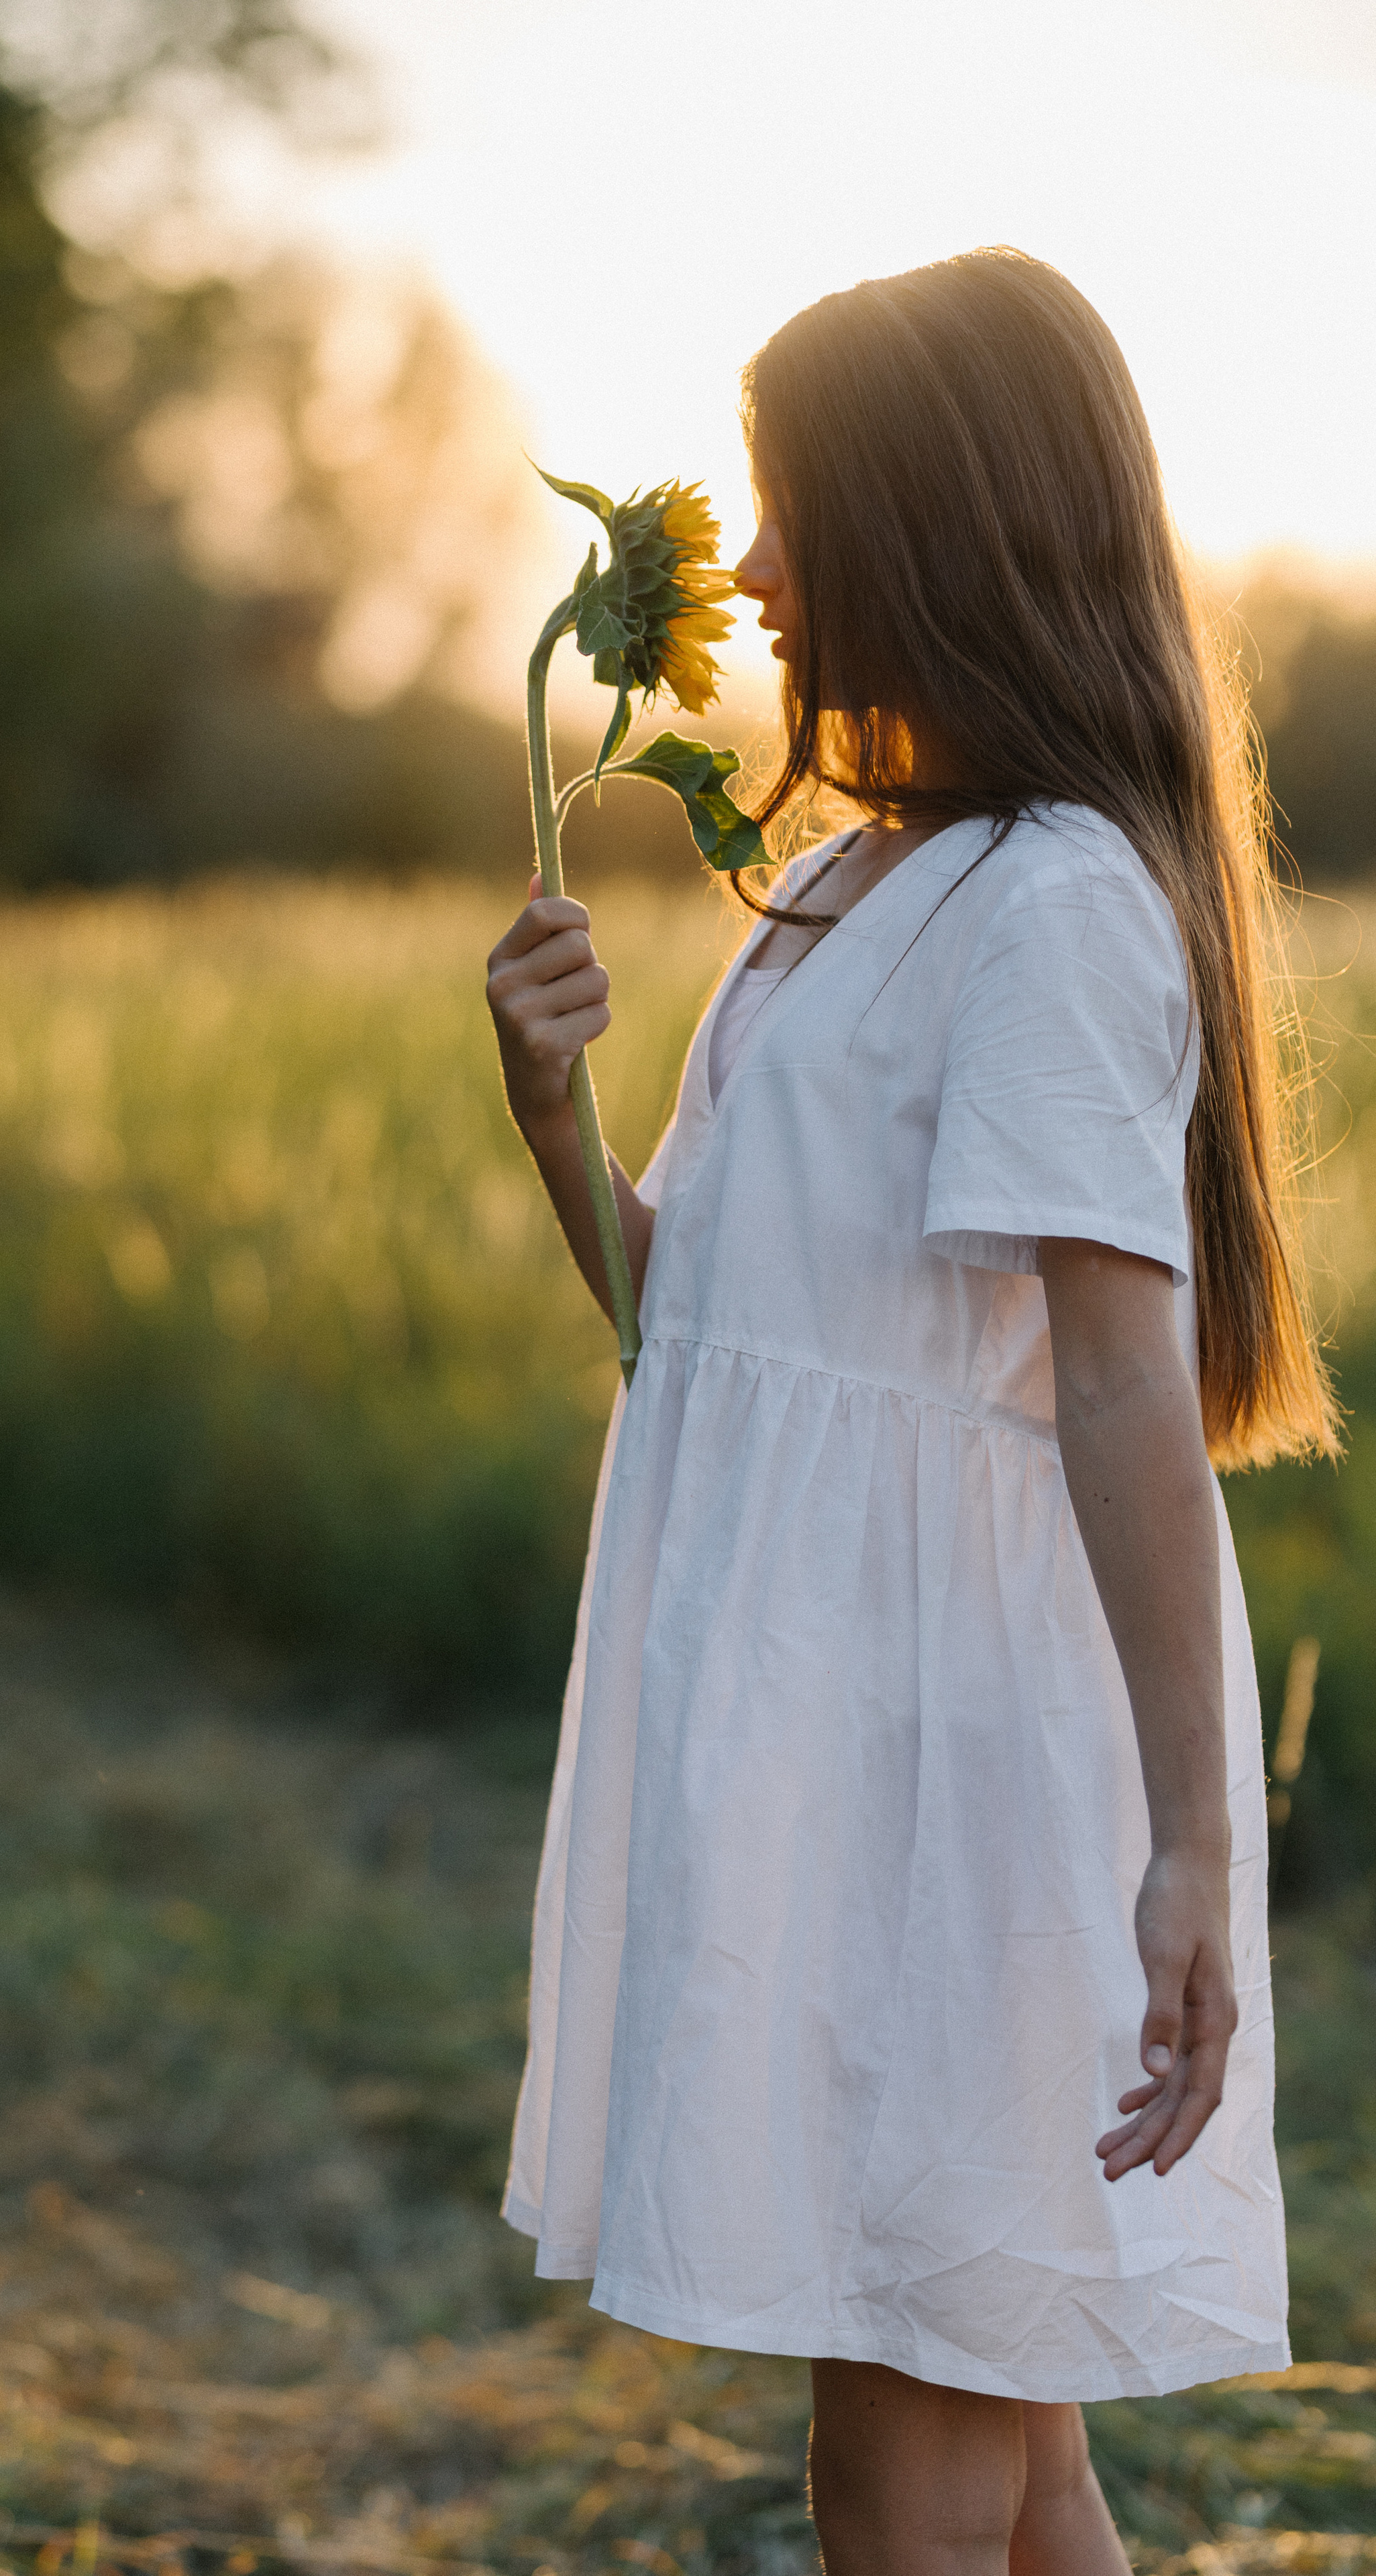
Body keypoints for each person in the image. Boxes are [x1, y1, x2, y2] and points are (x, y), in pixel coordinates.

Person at [482, 248, 1336, 2576]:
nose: (752, 570)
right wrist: (556, 1113)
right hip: (825, 1731)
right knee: (1006, 2453)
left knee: (911, 2461)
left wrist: (1190, 1843)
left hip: (954, 1762)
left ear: (931, 528)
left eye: (790, 510)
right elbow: (695, 1328)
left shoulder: (1054, 904)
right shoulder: (841, 884)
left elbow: (1121, 1384)